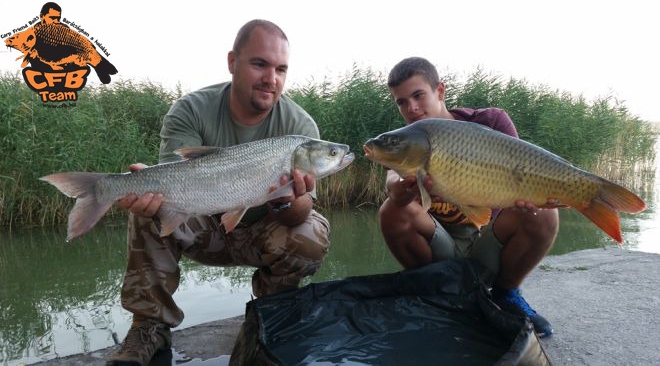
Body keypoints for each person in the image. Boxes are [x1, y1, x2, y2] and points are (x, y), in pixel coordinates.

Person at [106, 19, 331, 365]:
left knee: (310, 231)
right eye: (260, 64)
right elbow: (171, 181)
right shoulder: (191, 109)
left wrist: (287, 198)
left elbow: (300, 213)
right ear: (232, 62)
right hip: (200, 225)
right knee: (146, 214)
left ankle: (267, 315)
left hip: (260, 232)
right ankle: (149, 326)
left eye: (281, 69)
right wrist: (144, 192)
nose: (271, 79)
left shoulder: (300, 129)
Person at [379, 57, 559, 338]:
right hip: (441, 251)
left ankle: (505, 295)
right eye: (401, 102)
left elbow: (523, 166)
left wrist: (530, 196)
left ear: (440, 91)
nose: (411, 108)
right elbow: (393, 179)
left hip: (490, 242)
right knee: (391, 210)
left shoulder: (490, 121)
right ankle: (438, 294)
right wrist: (397, 192)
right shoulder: (408, 141)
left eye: (418, 95)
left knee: (543, 213)